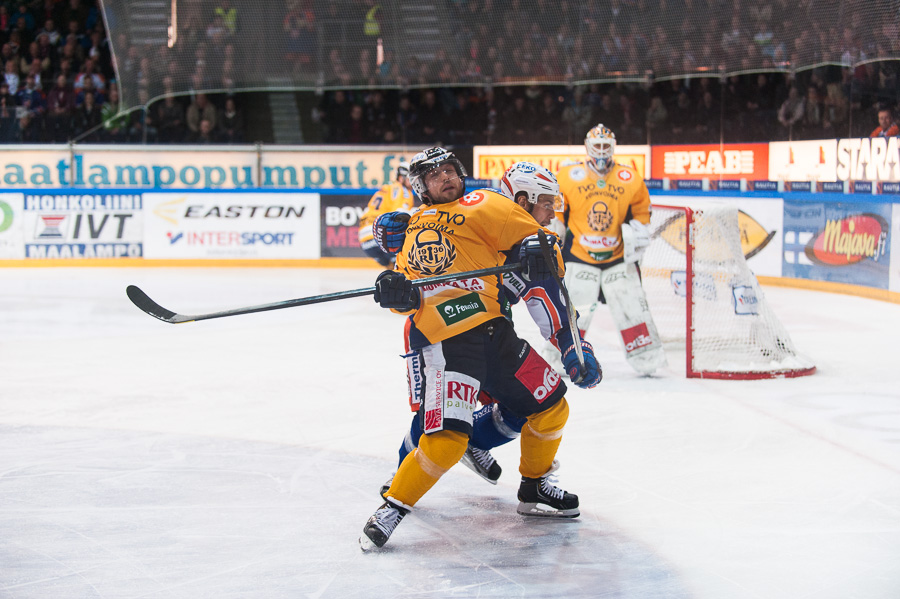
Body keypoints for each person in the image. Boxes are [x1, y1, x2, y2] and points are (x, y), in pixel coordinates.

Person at [360, 148, 600, 550]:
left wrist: (539, 253)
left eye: (450, 169)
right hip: (446, 339)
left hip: (495, 333)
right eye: (434, 174)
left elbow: (538, 249)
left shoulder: (484, 203)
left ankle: (534, 487)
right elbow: (409, 293)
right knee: (444, 436)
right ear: (420, 187)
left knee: (551, 405)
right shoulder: (413, 226)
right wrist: (394, 289)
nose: (446, 176)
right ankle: (393, 502)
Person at [549, 124, 666, 376]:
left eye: (606, 146)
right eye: (597, 146)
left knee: (630, 306)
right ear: (587, 147)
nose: (601, 152)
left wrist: (638, 235)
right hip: (580, 256)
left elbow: (642, 215)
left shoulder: (630, 177)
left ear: (613, 147)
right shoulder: (568, 176)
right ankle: (561, 357)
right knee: (573, 311)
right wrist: (554, 239)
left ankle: (647, 358)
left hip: (617, 259)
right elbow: (557, 215)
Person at [358, 160, 415, 267]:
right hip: (381, 235)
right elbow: (400, 214)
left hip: (364, 240)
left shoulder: (384, 189)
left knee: (391, 269)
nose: (412, 183)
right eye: (409, 179)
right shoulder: (403, 190)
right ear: (401, 178)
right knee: (403, 266)